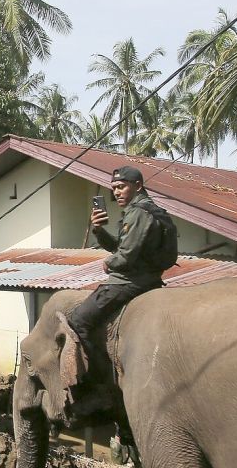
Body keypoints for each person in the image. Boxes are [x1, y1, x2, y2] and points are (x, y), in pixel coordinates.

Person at [69, 166, 167, 399]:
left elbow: (125, 255)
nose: (117, 193)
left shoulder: (139, 213)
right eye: (114, 188)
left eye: (121, 187)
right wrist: (98, 230)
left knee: (78, 320)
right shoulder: (145, 211)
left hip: (129, 281)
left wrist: (108, 264)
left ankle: (99, 380)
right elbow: (121, 247)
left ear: (138, 186)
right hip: (146, 277)